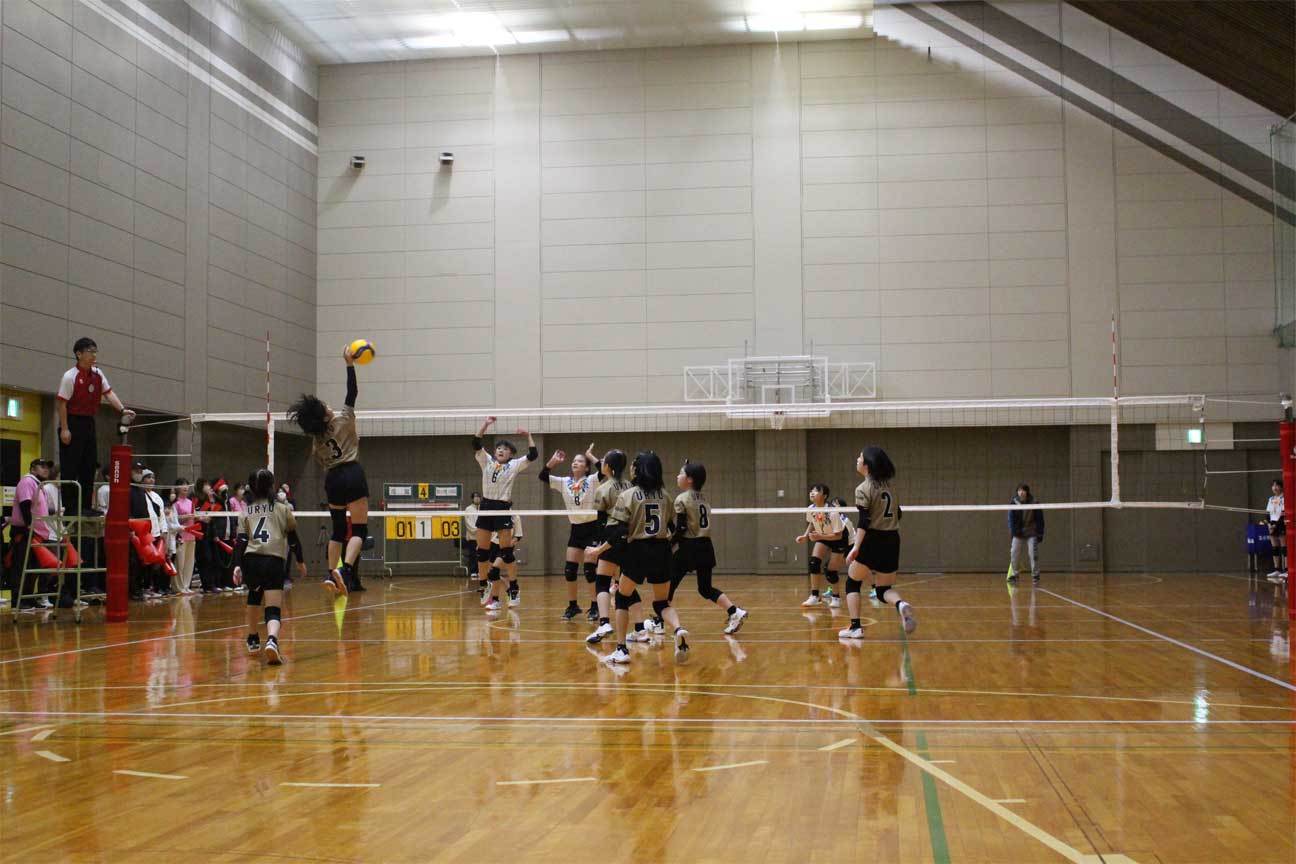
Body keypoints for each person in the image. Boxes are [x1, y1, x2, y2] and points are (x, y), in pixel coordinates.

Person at [288, 345, 371, 596]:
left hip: (332, 478)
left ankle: (330, 573)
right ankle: (345, 570)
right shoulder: (343, 419)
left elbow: (322, 461)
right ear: (324, 417)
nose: (327, 405)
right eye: (324, 406)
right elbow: (352, 391)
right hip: (352, 473)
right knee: (359, 530)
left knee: (338, 530)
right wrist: (349, 364)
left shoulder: (316, 442)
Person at [603, 451, 689, 666]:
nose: (631, 469)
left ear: (639, 469)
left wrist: (599, 550)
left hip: (638, 551)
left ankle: (621, 650)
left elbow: (619, 531)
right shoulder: (666, 496)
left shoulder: (629, 495)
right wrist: (668, 548)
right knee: (661, 603)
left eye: (634, 465)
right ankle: (678, 629)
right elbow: (675, 529)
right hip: (662, 550)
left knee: (622, 597)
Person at [232, 468, 307, 666]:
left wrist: (237, 565)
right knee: (273, 607)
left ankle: (252, 637)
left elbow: (241, 542)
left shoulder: (245, 512)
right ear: (272, 486)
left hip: (251, 560)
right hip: (274, 560)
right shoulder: (282, 509)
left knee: (254, 596)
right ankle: (272, 639)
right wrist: (300, 561)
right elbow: (293, 539)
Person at [841, 445, 915, 639]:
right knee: (883, 590)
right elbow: (898, 514)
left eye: (860, 457)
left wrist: (856, 547)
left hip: (872, 539)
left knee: (852, 582)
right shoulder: (891, 487)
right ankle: (900, 604)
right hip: (892, 539)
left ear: (867, 465)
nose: (857, 460)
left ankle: (855, 627)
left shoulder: (863, 489)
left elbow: (864, 521)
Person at [56, 337, 134, 513]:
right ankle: (71, 508)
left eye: (95, 352)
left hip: (89, 422)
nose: (94, 355)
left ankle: (85, 506)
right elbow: (61, 404)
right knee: (71, 466)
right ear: (79, 354)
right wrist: (65, 428)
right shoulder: (70, 376)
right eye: (90, 351)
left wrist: (123, 410)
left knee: (89, 465)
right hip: (72, 421)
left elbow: (109, 393)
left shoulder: (98, 374)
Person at [670, 460, 748, 634]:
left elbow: (681, 528)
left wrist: (669, 544)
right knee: (705, 588)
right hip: (706, 546)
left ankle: (659, 621)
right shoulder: (704, 498)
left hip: (689, 547)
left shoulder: (681, 499)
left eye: (681, 473)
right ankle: (734, 611)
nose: (677, 476)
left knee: (669, 583)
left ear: (689, 479)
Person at [582, 448, 649, 646]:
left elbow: (600, 523)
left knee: (602, 581)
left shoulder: (603, 489)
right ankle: (640, 629)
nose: (601, 464)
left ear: (608, 467)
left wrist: (598, 547)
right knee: (625, 585)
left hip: (612, 535)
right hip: (630, 537)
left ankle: (604, 623)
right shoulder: (631, 486)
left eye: (603, 462)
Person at [471, 416, 537, 612]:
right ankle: (483, 585)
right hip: (486, 506)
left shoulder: (514, 465)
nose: (501, 450)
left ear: (511, 454)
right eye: (499, 448)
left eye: (505, 449)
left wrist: (528, 435)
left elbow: (533, 454)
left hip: (501, 508)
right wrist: (486, 424)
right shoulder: (487, 461)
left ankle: (514, 588)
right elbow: (476, 443)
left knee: (506, 552)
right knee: (481, 552)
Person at [540, 448, 602, 621]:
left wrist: (590, 456)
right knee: (569, 570)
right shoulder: (564, 482)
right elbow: (543, 476)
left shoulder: (592, 480)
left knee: (589, 570)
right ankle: (573, 606)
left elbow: (604, 470)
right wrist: (552, 462)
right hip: (576, 529)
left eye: (580, 461)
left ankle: (595, 606)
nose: (575, 462)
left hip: (592, 528)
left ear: (587, 467)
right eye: (574, 460)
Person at [7, 458, 52, 610]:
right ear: (32, 469)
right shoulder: (27, 482)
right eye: (42, 466)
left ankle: (27, 598)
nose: (46, 469)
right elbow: (25, 505)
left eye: (47, 467)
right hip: (25, 532)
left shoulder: (39, 485)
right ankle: (18, 601)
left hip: (37, 534)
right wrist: (30, 527)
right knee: (21, 567)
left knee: (33, 568)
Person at [796, 484, 849, 607]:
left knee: (831, 571)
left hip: (838, 538)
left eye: (816, 491)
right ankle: (814, 596)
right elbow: (812, 523)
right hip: (823, 535)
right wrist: (805, 536)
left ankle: (836, 597)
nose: (812, 493)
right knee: (814, 563)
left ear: (824, 496)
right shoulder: (811, 509)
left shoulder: (832, 512)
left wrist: (820, 536)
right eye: (811, 491)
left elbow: (838, 535)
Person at [1007, 483, 1044, 586]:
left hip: (1031, 531)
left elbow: (1040, 519)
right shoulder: (1013, 503)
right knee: (1014, 553)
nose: (1021, 492)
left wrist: (1040, 533)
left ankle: (1035, 575)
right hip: (1018, 532)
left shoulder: (1035, 502)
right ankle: (1014, 575)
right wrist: (1014, 532)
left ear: (1027, 492)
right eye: (1019, 490)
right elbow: (1011, 520)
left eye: (1023, 490)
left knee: (1033, 554)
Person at [173, 479, 196, 594]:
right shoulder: (175, 503)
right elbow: (174, 520)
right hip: (180, 536)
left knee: (189, 563)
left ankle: (186, 586)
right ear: (177, 488)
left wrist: (202, 518)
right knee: (180, 563)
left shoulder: (191, 502)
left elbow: (194, 517)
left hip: (191, 535)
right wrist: (185, 517)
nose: (185, 487)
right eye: (182, 485)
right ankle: (179, 587)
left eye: (187, 485)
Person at [1266, 479, 1286, 583]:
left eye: (1277, 485)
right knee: (1275, 548)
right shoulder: (1271, 499)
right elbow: (1267, 513)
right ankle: (1277, 569)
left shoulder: (1284, 498)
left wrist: (1275, 525)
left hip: (1281, 523)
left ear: (1281, 487)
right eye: (1273, 485)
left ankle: (1286, 570)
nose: (1275, 487)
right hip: (1272, 524)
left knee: (1284, 548)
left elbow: (1283, 513)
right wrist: (1269, 524)